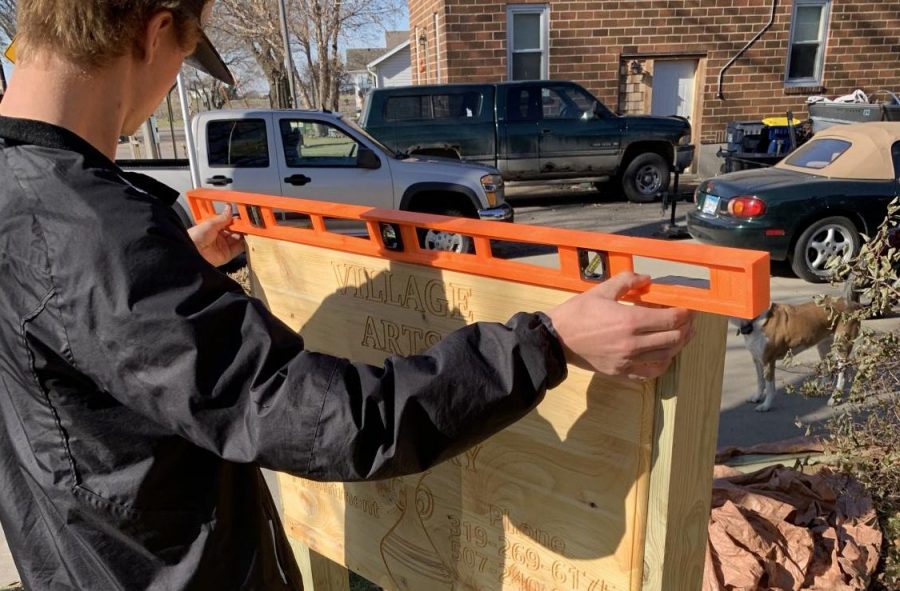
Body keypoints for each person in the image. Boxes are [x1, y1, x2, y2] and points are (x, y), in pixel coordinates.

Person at [0, 1, 693, 588]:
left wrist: (165, 269)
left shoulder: (30, 196)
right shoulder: (88, 230)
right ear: (155, 33)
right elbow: (326, 418)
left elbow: (72, 331)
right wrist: (547, 343)